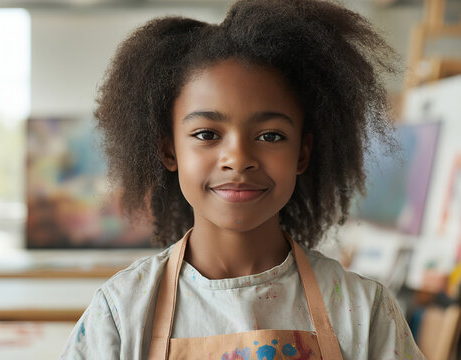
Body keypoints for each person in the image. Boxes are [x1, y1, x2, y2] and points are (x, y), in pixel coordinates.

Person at [60, 0, 425, 358]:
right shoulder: (120, 313)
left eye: (270, 136)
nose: (238, 159)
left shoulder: (364, 312)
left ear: (302, 153)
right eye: (206, 134)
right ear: (169, 151)